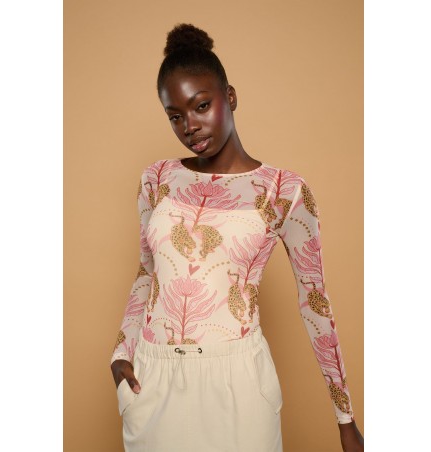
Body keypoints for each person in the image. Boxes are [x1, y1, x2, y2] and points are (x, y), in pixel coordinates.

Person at [110, 23, 364, 452]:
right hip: (154, 379)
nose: (190, 126)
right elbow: (147, 272)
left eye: (201, 105)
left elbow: (315, 302)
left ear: (229, 97)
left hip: (239, 383)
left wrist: (345, 418)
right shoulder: (157, 180)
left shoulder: (285, 191)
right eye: (175, 116)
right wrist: (120, 352)